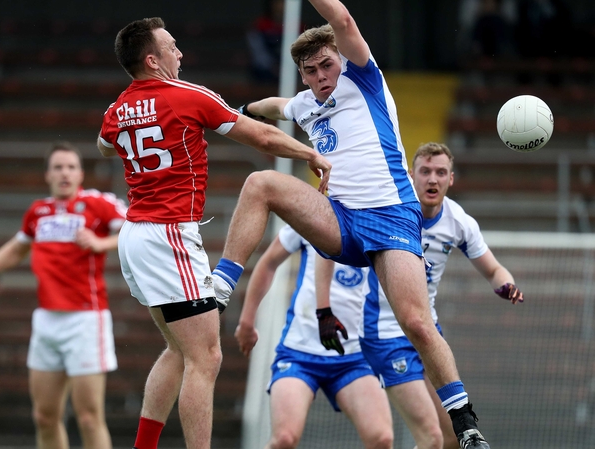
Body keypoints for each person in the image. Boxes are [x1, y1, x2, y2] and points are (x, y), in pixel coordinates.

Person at [212, 0, 491, 447]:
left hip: (391, 214)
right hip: (340, 220)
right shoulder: (304, 103)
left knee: (417, 324)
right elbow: (273, 106)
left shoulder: (363, 77)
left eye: (327, 65)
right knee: (260, 183)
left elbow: (340, 19)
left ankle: (465, 423)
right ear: (303, 75)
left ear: (341, 59)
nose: (322, 76)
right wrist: (237, 108)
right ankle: (221, 287)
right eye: (311, 71)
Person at [97, 17, 331, 449]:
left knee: (179, 351)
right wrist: (309, 153)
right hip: (168, 236)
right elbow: (262, 138)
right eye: (171, 46)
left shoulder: (116, 109)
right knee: (206, 358)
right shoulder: (187, 95)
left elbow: (104, 144)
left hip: (136, 236)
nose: (179, 53)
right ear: (152, 60)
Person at [353, 142, 523, 449]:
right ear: (411, 175)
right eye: (426, 171)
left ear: (451, 179)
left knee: (451, 438)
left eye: (441, 172)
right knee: (431, 438)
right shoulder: (390, 211)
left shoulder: (458, 221)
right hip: (385, 333)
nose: (433, 179)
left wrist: (506, 285)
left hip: (427, 333)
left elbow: (494, 270)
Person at [0, 142, 126, 449]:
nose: (64, 173)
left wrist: (101, 243)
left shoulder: (99, 203)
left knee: (89, 417)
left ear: (81, 174)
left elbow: (136, 230)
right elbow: (18, 248)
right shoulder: (38, 211)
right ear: (47, 175)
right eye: (58, 167)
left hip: (86, 319)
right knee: (44, 416)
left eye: (71, 167)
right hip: (47, 319)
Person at [234, 225, 392, 449]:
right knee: (284, 439)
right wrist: (247, 322)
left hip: (355, 356)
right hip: (300, 352)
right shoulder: (309, 217)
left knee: (382, 439)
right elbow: (269, 262)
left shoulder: (377, 220)